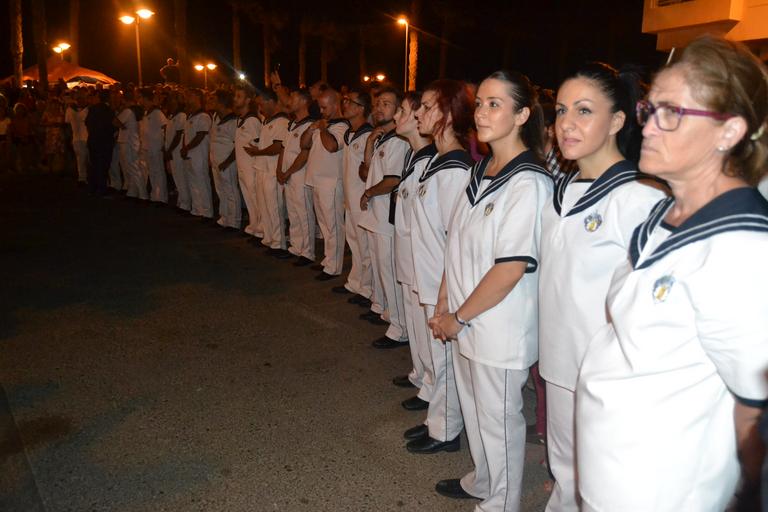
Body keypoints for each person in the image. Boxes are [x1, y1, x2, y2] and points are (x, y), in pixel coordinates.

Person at [576, 35, 768, 511]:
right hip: (611, 475)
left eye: (672, 113)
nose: (648, 127)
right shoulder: (665, 213)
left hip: (663, 488)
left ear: (729, 131)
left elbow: (754, 407)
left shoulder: (741, 248)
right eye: (650, 109)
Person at [538, 62, 666, 512]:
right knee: (565, 473)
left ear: (616, 121)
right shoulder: (562, 191)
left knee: (601, 488)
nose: (566, 124)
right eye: (561, 110)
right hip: (558, 364)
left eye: (584, 110)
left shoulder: (639, 198)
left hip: (606, 378)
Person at [430, 71, 553, 511]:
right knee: (477, 412)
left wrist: (458, 316)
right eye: (480, 103)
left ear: (522, 115)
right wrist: (445, 301)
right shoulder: (480, 170)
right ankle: (484, 480)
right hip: (465, 318)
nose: (481, 112)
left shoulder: (529, 182)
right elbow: (458, 241)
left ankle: (502, 503)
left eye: (495, 104)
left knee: (499, 420)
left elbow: (511, 267)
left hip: (498, 326)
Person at [405, 80, 475, 452]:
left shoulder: (456, 170)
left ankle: (446, 431)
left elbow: (456, 240)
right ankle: (438, 419)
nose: (418, 112)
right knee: (438, 357)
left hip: (442, 282)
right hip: (429, 275)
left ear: (448, 115)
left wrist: (446, 295)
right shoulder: (438, 160)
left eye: (427, 106)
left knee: (446, 358)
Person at [389, 91, 438, 420]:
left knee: (425, 325)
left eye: (403, 111)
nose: (397, 117)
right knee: (415, 322)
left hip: (421, 261)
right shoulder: (414, 156)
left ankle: (432, 387)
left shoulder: (430, 162)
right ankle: (421, 375)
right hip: (408, 257)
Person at [358, 87, 410, 346]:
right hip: (375, 215)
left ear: (399, 110)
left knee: (389, 271)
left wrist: (369, 192)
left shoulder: (399, 141)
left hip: (386, 217)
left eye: (386, 104)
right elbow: (364, 172)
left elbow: (392, 180)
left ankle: (400, 329)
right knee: (381, 269)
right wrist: (369, 143)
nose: (379, 108)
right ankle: (386, 311)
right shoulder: (382, 138)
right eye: (377, 103)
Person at [301, 89, 350, 278]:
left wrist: (322, 129)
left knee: (333, 226)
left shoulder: (342, 126)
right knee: (324, 224)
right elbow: (304, 145)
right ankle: (328, 260)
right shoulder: (324, 124)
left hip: (331, 183)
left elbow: (331, 146)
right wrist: (311, 129)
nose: (321, 111)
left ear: (335, 105)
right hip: (317, 180)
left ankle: (333, 267)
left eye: (324, 107)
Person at [336, 90, 374, 299]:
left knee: (364, 244)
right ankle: (355, 281)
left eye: (350, 101)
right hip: (349, 197)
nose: (345, 104)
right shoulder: (350, 134)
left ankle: (367, 289)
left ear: (361, 108)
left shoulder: (368, 135)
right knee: (353, 240)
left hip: (361, 198)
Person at [246, 89, 290, 255]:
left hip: (272, 170)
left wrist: (258, 152)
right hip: (262, 168)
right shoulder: (267, 121)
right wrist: (257, 148)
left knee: (274, 208)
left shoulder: (282, 121)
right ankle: (269, 239)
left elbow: (278, 147)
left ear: (271, 101)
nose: (260, 107)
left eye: (261, 104)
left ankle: (279, 243)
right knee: (264, 207)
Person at [278, 88, 316, 264]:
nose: (289, 101)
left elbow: (304, 154)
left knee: (303, 212)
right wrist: (280, 170)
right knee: (293, 212)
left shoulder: (310, 124)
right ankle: (296, 247)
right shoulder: (293, 123)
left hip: (301, 174)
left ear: (303, 101)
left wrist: (288, 172)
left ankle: (307, 252)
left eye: (292, 97)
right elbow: (284, 148)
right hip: (289, 174)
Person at [209, 89, 241, 229]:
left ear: (221, 102)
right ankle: (224, 218)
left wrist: (227, 162)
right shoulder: (216, 117)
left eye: (213, 100)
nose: (210, 102)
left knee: (230, 190)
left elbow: (237, 145)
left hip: (227, 163)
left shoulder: (233, 121)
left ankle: (234, 221)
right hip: (216, 162)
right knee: (220, 190)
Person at [233, 85, 262, 237]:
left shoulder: (252, 120)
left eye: (239, 96)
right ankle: (254, 227)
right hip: (242, 166)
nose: (235, 99)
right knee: (249, 198)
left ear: (248, 100)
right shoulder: (241, 119)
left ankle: (261, 230)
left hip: (252, 166)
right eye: (235, 96)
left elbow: (258, 144)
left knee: (256, 198)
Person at [181, 88, 213, 219]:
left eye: (190, 96)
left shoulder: (203, 116)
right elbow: (186, 135)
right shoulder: (191, 115)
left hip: (199, 154)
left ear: (198, 98)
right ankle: (197, 209)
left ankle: (206, 212)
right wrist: (184, 147)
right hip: (190, 154)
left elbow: (201, 135)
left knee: (202, 182)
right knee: (193, 182)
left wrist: (187, 147)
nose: (187, 98)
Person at [139, 88, 169, 203]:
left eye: (140, 98)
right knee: (152, 172)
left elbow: (165, 127)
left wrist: (164, 144)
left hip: (156, 147)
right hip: (148, 146)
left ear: (146, 98)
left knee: (158, 171)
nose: (139, 100)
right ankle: (155, 196)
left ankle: (162, 198)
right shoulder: (146, 112)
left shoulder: (157, 113)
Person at [85, 90, 116, 196]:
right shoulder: (109, 110)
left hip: (93, 140)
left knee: (94, 164)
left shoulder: (92, 109)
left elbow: (87, 123)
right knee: (103, 165)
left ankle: (92, 187)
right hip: (105, 141)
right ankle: (101, 188)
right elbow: (114, 124)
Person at [164, 91, 190, 212]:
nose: (170, 102)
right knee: (176, 177)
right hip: (172, 151)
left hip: (177, 151)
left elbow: (179, 135)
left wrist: (170, 149)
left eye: (173, 99)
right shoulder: (171, 116)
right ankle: (181, 202)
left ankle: (186, 204)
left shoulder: (181, 116)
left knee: (181, 177)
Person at [115, 91, 143, 199]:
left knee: (133, 168)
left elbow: (115, 121)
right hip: (132, 140)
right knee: (131, 168)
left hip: (128, 141)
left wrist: (121, 126)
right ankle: (132, 192)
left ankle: (142, 194)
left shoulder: (128, 111)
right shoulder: (136, 110)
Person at [66, 88, 90, 184]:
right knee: (80, 159)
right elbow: (68, 124)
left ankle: (88, 176)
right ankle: (82, 178)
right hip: (77, 138)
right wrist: (70, 137)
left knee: (87, 159)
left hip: (87, 137)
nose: (81, 100)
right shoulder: (70, 110)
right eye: (79, 97)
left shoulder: (89, 109)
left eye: (82, 97)